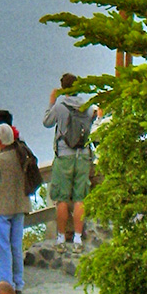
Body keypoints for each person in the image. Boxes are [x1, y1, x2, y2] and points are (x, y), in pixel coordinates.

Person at [42, 73, 96, 250]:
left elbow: (47, 122)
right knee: (80, 198)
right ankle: (78, 239)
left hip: (64, 156)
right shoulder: (88, 107)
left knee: (62, 199)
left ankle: (61, 238)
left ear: (62, 88)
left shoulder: (60, 106)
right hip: (83, 156)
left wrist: (52, 100)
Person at [0, 124, 30, 294]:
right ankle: (18, 282)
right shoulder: (21, 155)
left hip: (1, 208)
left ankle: (5, 285)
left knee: (2, 247)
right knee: (16, 246)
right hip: (19, 205)